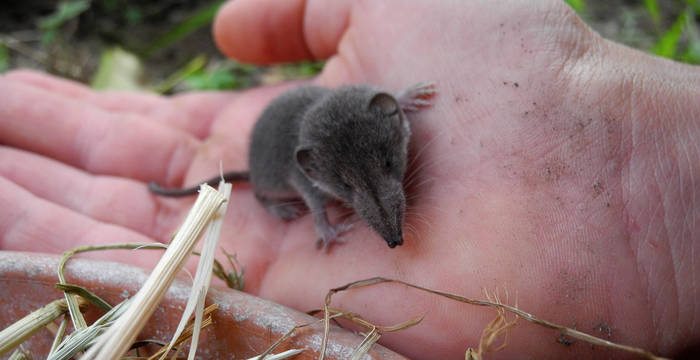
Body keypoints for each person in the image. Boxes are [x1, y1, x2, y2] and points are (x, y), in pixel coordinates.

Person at [1, 0, 698, 358]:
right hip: (279, 162)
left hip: (344, 127)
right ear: (319, 177)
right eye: (356, 195)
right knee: (286, 188)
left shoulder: (376, 113)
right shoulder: (306, 168)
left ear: (394, 120)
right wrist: (319, 216)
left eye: (388, 173)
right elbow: (320, 177)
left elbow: (374, 109)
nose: (387, 213)